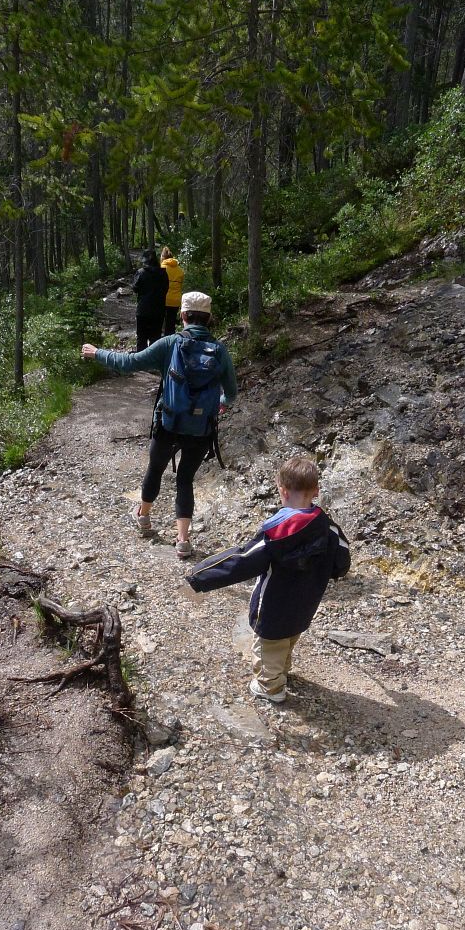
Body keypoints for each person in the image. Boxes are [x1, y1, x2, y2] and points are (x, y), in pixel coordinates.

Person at [81, 291, 237, 559]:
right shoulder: (220, 351)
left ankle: (143, 518)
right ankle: (183, 541)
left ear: (183, 315)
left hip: (168, 423)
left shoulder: (170, 344)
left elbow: (129, 363)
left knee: (155, 469)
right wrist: (219, 404)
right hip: (201, 428)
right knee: (185, 479)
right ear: (209, 318)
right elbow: (231, 393)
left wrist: (98, 353)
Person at [185, 457, 350, 703]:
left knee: (268, 646)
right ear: (316, 491)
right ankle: (281, 671)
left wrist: (199, 577)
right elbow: (342, 560)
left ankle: (270, 687)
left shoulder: (276, 534)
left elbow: (242, 560)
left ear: (282, 491)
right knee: (289, 637)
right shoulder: (328, 528)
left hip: (274, 605)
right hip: (307, 602)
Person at [132, 249, 169, 352]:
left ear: (145, 260)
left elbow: (135, 288)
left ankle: (141, 358)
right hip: (159, 309)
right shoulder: (163, 273)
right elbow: (166, 289)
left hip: (143, 310)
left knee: (141, 337)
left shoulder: (141, 272)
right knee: (155, 338)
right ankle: (154, 358)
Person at [160, 247, 185, 335]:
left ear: (163, 257)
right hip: (175, 301)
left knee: (159, 323)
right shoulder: (180, 271)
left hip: (163, 299)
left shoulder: (161, 268)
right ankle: (170, 340)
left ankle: (160, 341)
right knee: (171, 324)